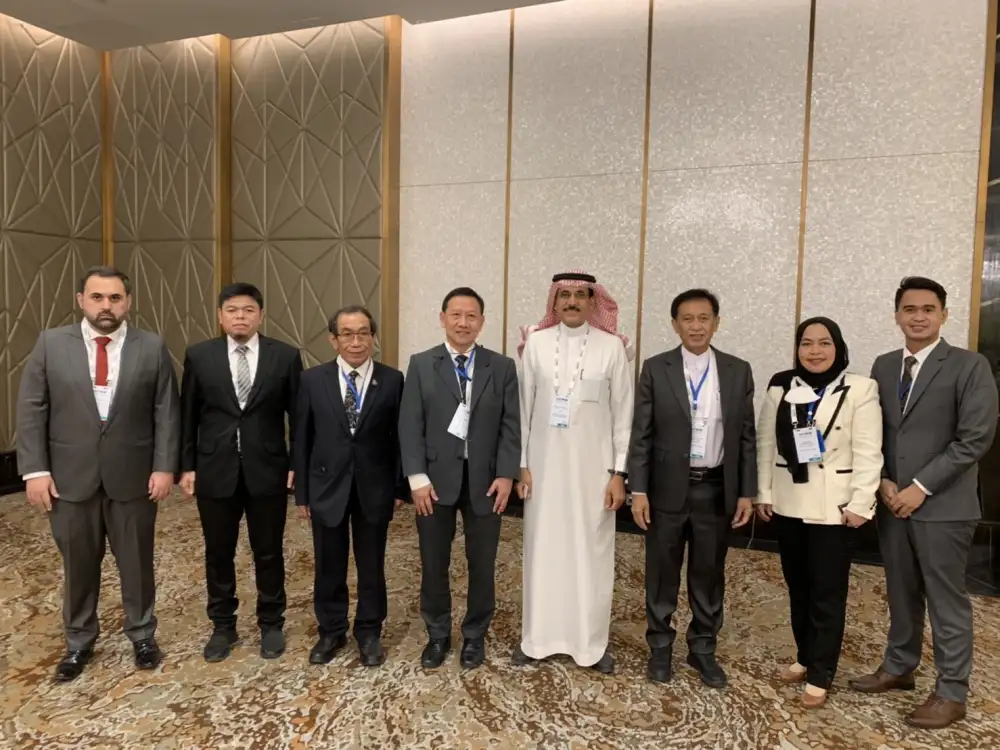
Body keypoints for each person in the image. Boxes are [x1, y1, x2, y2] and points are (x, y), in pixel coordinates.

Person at [16, 265, 179, 682]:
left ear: (128, 302)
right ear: (81, 301)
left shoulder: (151, 346)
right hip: (69, 479)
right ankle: (78, 641)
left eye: (115, 298)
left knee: (137, 563)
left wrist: (164, 466)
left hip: (134, 477)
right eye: (97, 297)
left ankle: (142, 635)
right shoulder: (51, 343)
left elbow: (166, 411)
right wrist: (34, 470)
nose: (106, 306)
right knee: (78, 564)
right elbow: (32, 408)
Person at [849, 277, 998, 729]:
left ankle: (951, 692)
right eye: (910, 309)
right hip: (892, 502)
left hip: (943, 506)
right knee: (901, 591)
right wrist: (883, 482)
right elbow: (873, 430)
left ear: (944, 315)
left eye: (928, 309)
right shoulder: (883, 364)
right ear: (897, 315)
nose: (919, 317)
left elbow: (974, 438)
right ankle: (899, 667)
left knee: (945, 600)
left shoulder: (969, 365)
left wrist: (919, 487)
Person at [627, 288, 756, 689]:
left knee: (708, 573)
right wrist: (638, 490)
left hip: (715, 489)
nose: (696, 326)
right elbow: (641, 434)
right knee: (661, 573)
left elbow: (746, 437)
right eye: (687, 318)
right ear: (675, 324)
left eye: (703, 318)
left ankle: (702, 648)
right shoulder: (656, 368)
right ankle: (660, 646)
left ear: (716, 323)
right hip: (665, 490)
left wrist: (747, 492)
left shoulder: (737, 370)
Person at [754, 317, 882, 708]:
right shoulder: (781, 386)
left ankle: (821, 673)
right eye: (806, 343)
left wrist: (862, 502)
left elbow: (869, 451)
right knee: (798, 586)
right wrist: (763, 492)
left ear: (838, 348)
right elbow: (765, 444)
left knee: (827, 592)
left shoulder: (860, 388)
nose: (814, 351)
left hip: (835, 507)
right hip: (788, 501)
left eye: (824, 343)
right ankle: (805, 656)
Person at [513, 271, 634, 674]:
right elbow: (523, 410)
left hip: (594, 474)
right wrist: (521, 465)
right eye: (564, 295)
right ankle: (537, 639)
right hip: (543, 470)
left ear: (593, 301)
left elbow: (624, 415)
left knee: (591, 555)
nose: (572, 302)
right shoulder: (536, 344)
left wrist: (619, 473)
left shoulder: (612, 347)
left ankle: (590, 644)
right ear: (554, 301)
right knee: (543, 551)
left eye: (581, 295)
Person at [398, 287, 520, 670]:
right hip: (433, 482)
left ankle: (474, 635)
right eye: (456, 315)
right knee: (434, 562)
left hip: (487, 482)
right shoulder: (421, 364)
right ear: (443, 318)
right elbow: (409, 424)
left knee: (482, 564)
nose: (463, 322)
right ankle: (437, 634)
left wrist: (506, 474)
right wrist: (416, 478)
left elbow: (511, 425)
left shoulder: (501, 367)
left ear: (482, 322)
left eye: (471, 316)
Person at [179, 283, 302, 662]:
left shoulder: (285, 356)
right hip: (215, 469)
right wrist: (186, 465)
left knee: (269, 551)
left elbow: (299, 417)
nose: (240, 317)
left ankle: (271, 623)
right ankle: (223, 625)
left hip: (268, 469)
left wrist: (296, 463)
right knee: (219, 552)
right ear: (220, 316)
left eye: (248, 310)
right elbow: (188, 415)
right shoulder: (199, 356)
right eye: (232, 310)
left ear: (260, 315)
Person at [294, 305, 407, 667]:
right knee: (329, 563)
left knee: (371, 565)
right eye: (347, 334)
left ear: (373, 337)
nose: (356, 341)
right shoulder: (312, 380)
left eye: (363, 333)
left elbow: (400, 439)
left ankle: (369, 631)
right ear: (334, 340)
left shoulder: (392, 380)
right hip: (326, 487)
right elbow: (302, 438)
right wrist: (302, 493)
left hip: (375, 487)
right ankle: (331, 630)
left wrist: (399, 488)